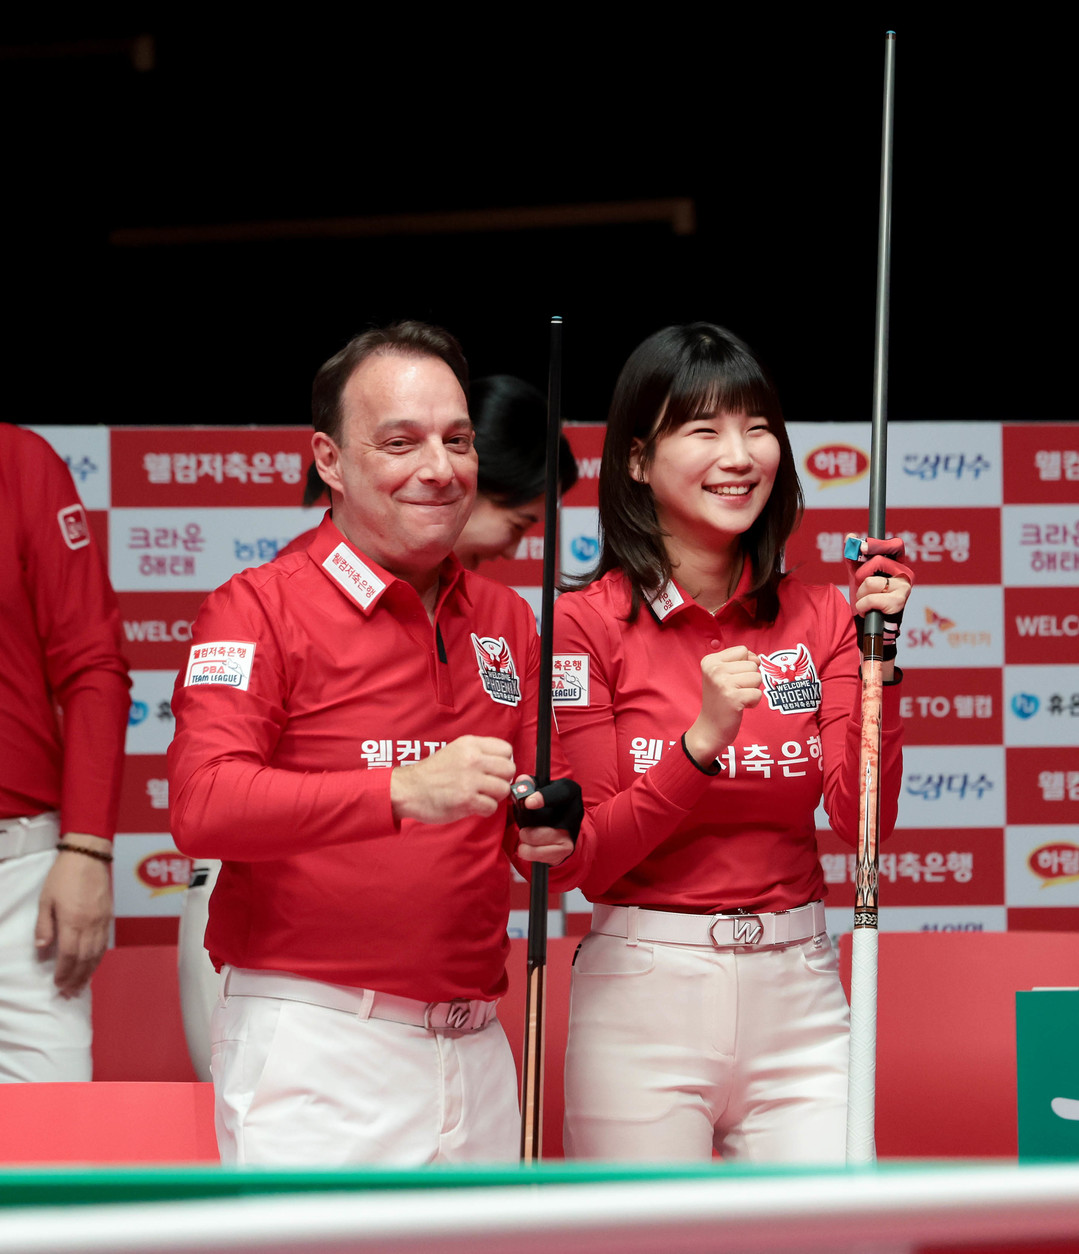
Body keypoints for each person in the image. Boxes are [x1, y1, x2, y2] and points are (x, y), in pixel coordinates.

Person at [167, 321, 589, 1164]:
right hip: (317, 1044)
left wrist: (550, 827)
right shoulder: (257, 606)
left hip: (477, 1046)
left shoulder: (507, 618)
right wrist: (403, 790)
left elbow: (547, 834)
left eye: (456, 441)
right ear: (329, 459)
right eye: (400, 443)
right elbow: (203, 805)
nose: (439, 467)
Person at [550, 322, 914, 1163]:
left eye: (757, 428)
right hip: (641, 997)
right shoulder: (582, 624)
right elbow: (588, 861)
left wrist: (878, 663)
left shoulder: (824, 615)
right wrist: (699, 746)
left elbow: (861, 822)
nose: (740, 455)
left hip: (800, 993)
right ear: (637, 459)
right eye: (703, 429)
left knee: (833, 1225)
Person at [0, 425, 130, 1082]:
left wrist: (86, 848)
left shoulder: (17, 460)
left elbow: (92, 667)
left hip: (18, 877)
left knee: (53, 1130)